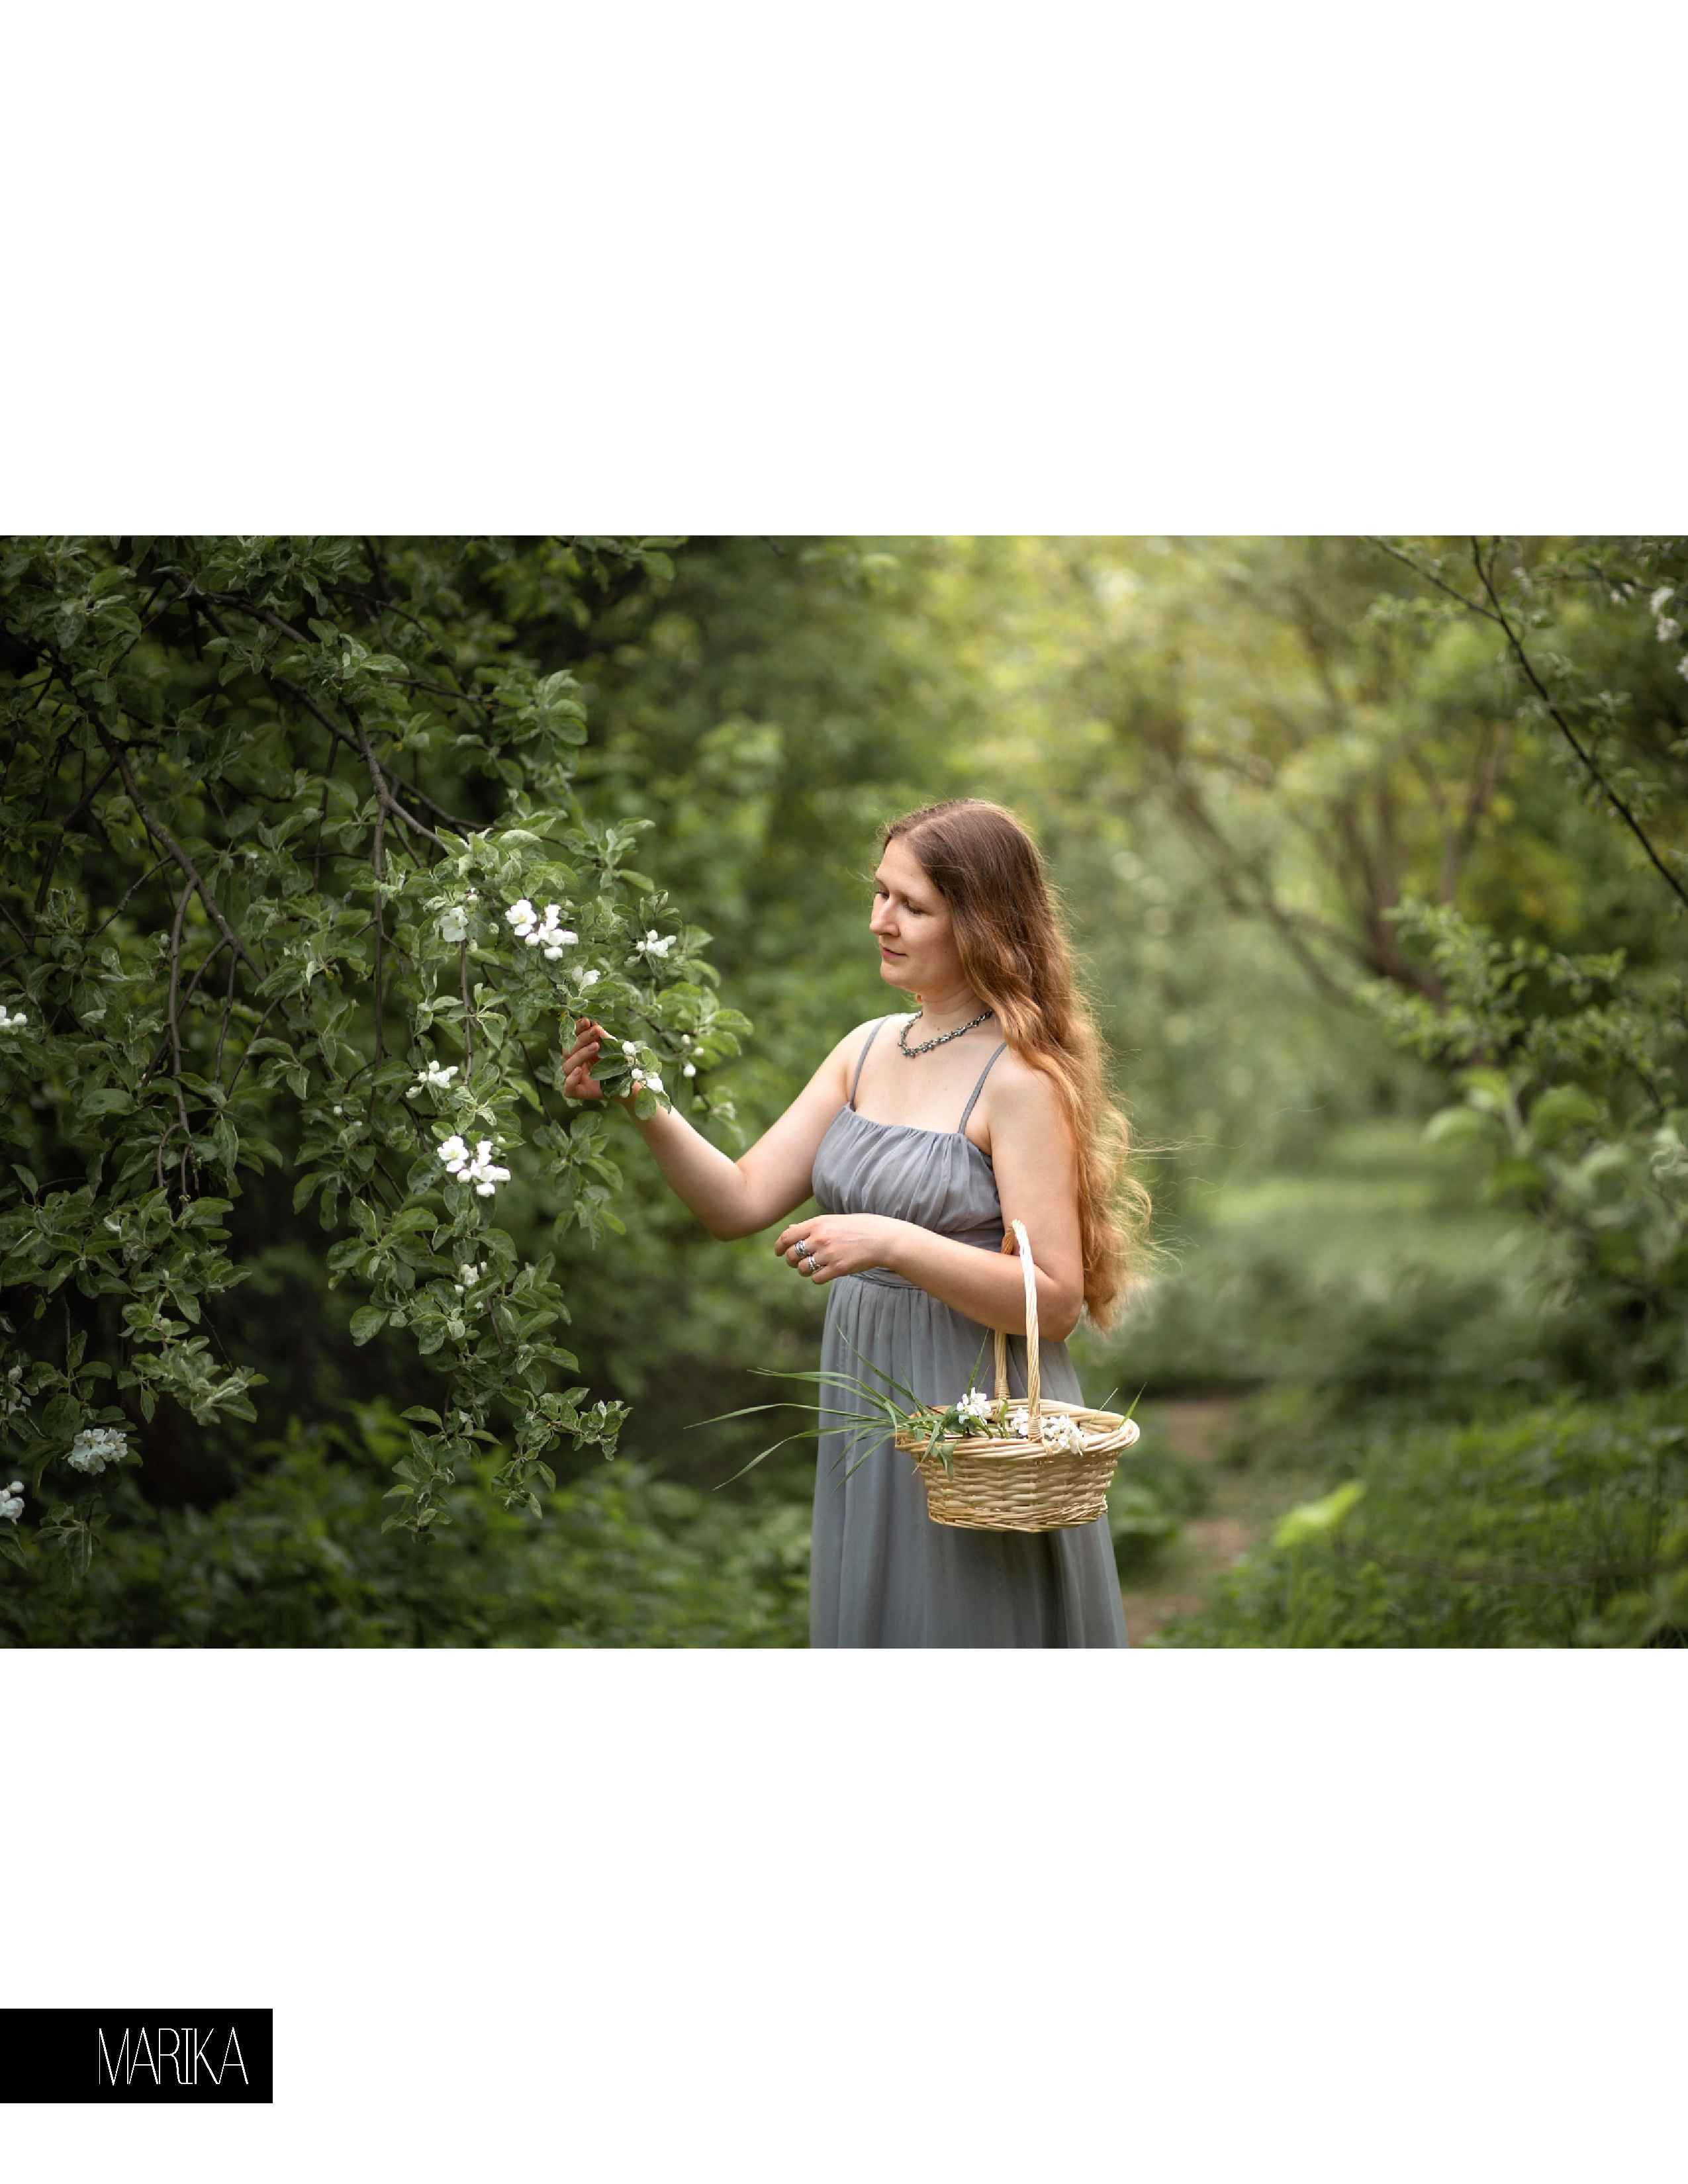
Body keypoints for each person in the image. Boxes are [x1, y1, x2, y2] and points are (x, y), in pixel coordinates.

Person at [559, 797, 1149, 1647]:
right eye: (880, 895)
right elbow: (738, 1201)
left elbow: (1051, 1300)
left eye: (912, 905)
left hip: (973, 1412)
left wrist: (892, 1242)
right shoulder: (867, 1048)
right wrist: (641, 1097)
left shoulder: (1021, 1082)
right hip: (870, 1401)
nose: (881, 920)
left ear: (980, 921)